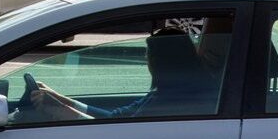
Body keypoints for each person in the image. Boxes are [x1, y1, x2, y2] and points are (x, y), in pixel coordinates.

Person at [27, 29, 213, 122]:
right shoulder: (173, 91)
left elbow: (116, 131)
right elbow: (115, 117)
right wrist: (62, 100)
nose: (146, 59)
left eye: (148, 54)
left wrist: (61, 110)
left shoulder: (170, 99)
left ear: (161, 61)